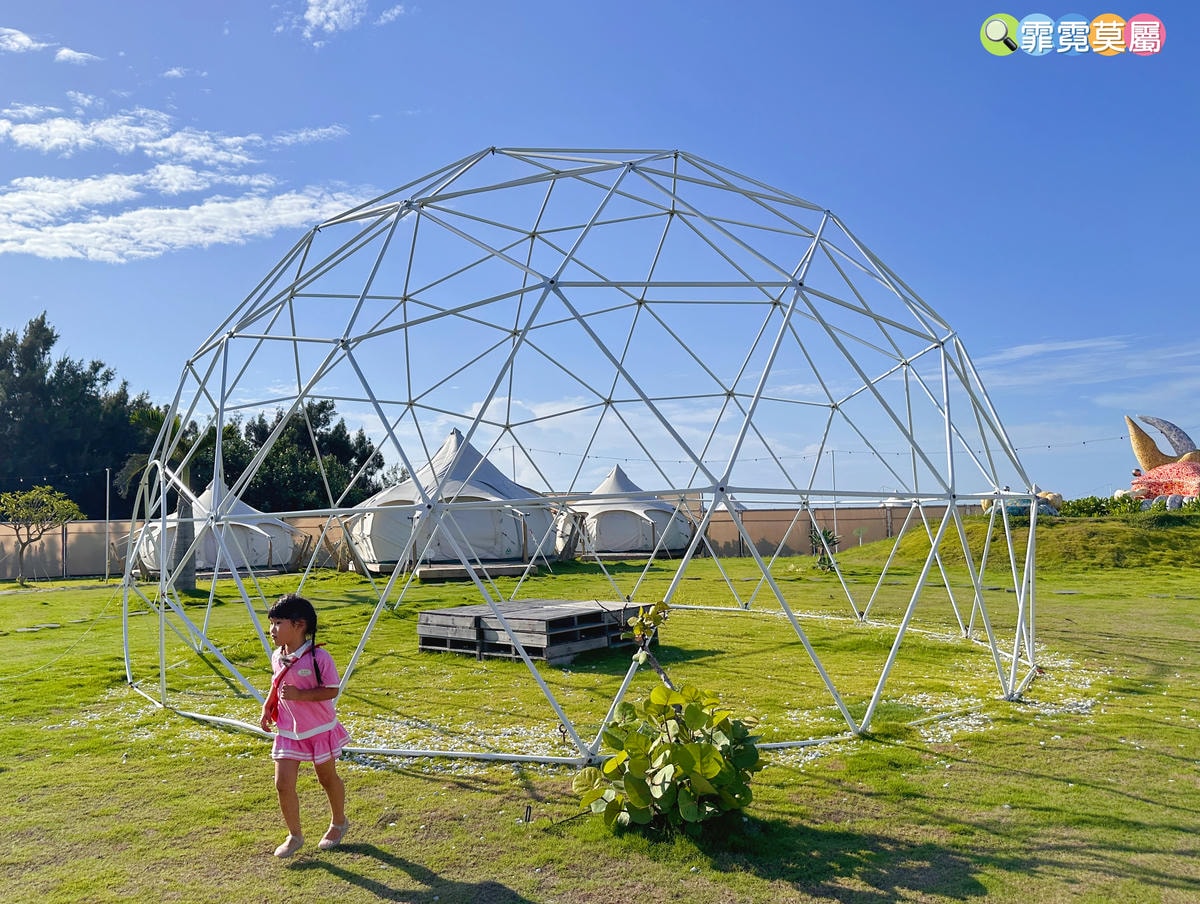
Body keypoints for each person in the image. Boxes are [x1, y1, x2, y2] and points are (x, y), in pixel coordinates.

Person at [259, 593, 351, 858]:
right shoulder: (278, 655)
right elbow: (276, 682)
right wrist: (268, 706)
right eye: (271, 623)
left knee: (327, 778)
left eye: (278, 623)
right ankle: (295, 835)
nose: (272, 630)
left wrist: (301, 696)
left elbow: (331, 690)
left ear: (299, 625)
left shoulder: (319, 657)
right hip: (288, 731)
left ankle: (339, 822)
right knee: (282, 784)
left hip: (319, 730)